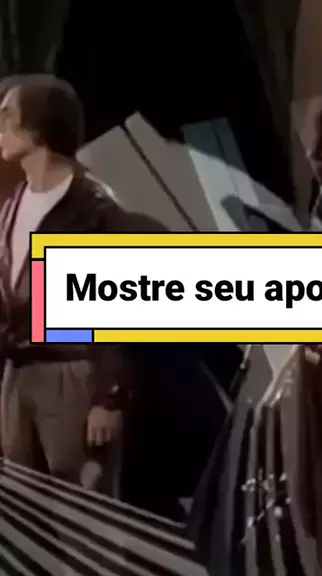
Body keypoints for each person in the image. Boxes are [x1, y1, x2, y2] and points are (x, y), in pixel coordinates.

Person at [0, 74, 164, 490]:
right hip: (18, 376)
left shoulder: (94, 209)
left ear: (38, 126)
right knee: (24, 506)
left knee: (82, 505)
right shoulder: (10, 208)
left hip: (73, 373)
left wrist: (110, 395)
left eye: (7, 116)